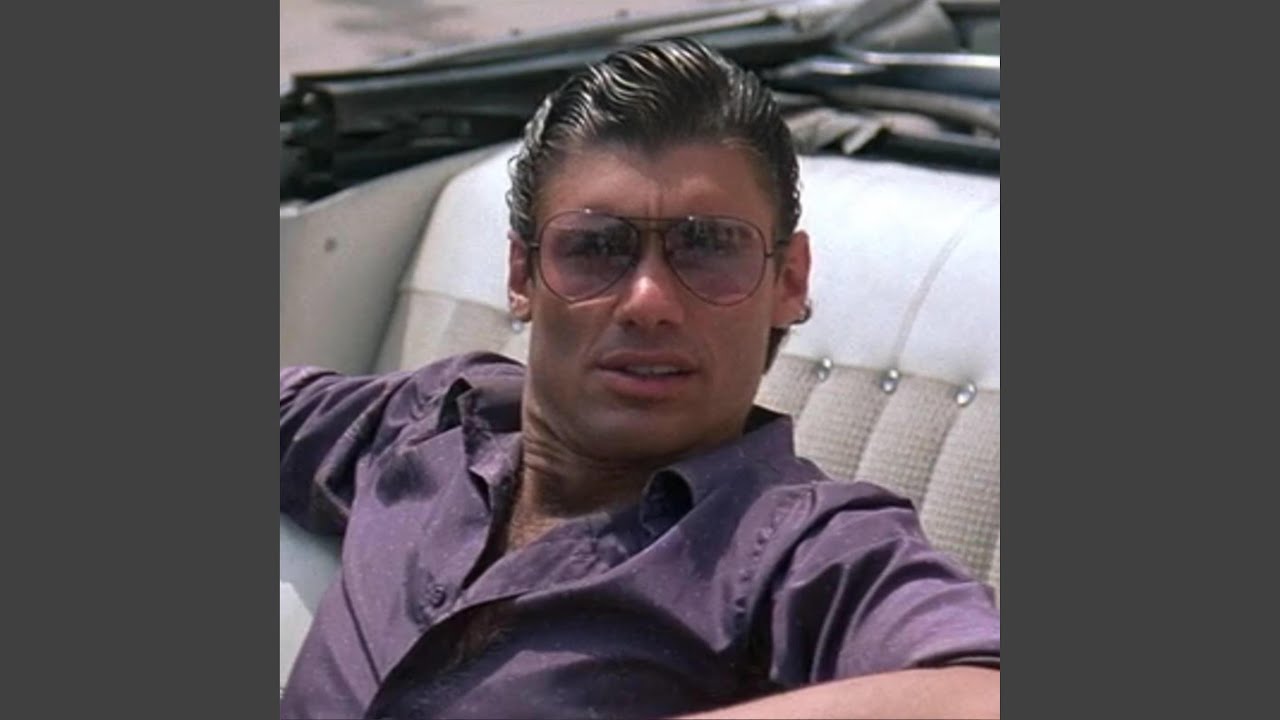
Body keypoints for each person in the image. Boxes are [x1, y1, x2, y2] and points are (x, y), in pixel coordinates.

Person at [280, 38, 999, 719]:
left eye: (708, 246)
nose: (649, 302)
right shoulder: (431, 419)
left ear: (788, 281)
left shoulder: (802, 550)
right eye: (596, 247)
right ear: (523, 275)